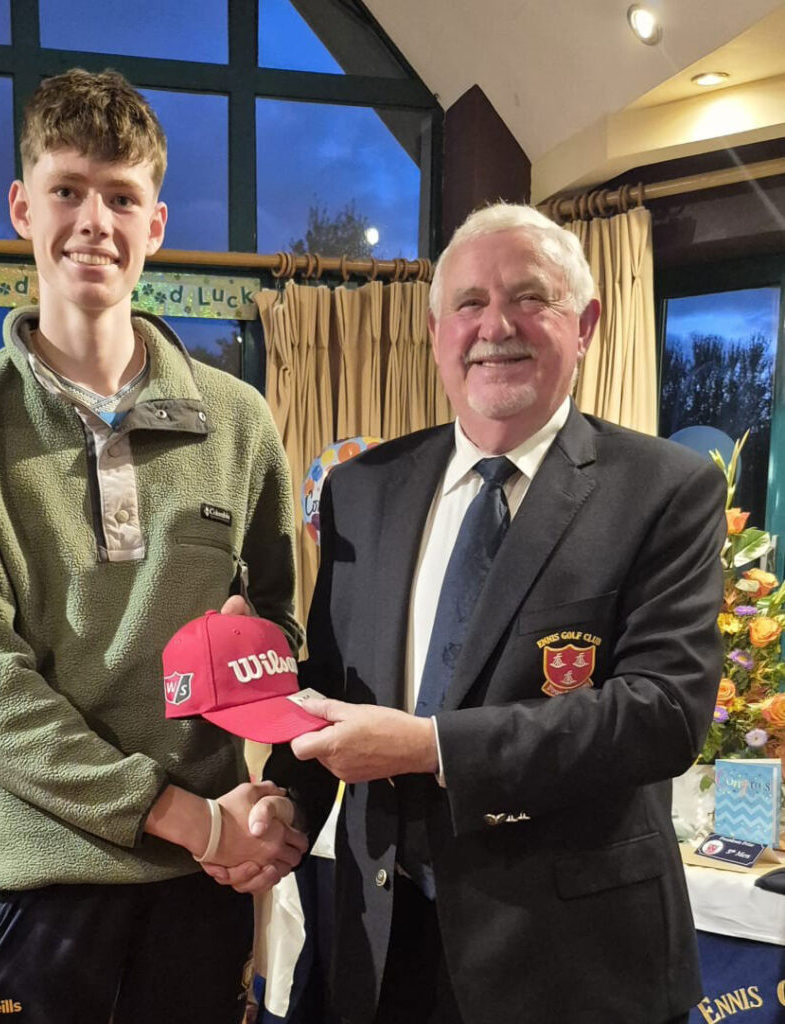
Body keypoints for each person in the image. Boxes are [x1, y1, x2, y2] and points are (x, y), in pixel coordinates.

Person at [0, 69, 305, 1024]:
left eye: (122, 197)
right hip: (42, 887)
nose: (93, 221)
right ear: (22, 207)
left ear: (155, 225)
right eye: (68, 189)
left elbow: (282, 634)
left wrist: (271, 796)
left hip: (203, 885)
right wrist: (190, 818)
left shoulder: (239, 425)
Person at [257, 203, 726, 1024]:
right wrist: (284, 805)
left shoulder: (665, 489)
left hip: (573, 963)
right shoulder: (361, 492)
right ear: (436, 329)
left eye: (528, 298)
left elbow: (661, 714)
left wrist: (433, 747)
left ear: (584, 325)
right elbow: (329, 685)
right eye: (469, 303)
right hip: (380, 947)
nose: (494, 325)